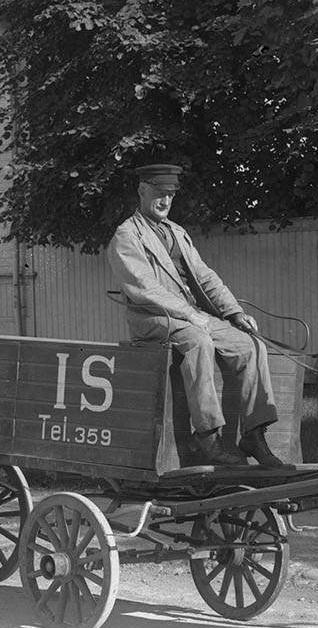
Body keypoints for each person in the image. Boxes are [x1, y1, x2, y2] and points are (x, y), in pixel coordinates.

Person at [105, 163, 289, 468]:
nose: (165, 201)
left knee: (249, 344)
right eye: (159, 193)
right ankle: (207, 436)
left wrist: (234, 311)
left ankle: (254, 434)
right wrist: (192, 315)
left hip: (189, 315)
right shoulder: (126, 236)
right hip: (153, 317)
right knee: (197, 339)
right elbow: (144, 289)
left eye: (170, 195)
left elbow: (205, 277)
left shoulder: (176, 232)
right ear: (142, 190)